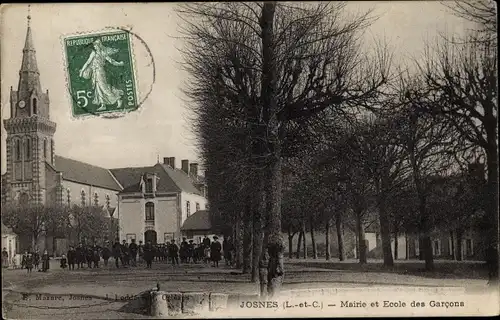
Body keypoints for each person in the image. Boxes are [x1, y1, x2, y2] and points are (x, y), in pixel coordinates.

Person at [78, 39, 125, 111]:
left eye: (96, 45)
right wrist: (82, 71)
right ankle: (103, 105)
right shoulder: (94, 53)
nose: (95, 46)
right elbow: (87, 62)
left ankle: (118, 99)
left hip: (100, 72)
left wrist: (119, 64)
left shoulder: (103, 53)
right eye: (94, 45)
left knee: (104, 87)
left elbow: (111, 61)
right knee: (98, 88)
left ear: (99, 45)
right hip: (95, 73)